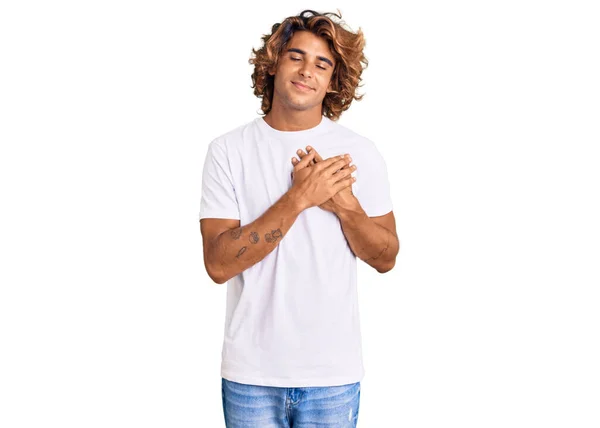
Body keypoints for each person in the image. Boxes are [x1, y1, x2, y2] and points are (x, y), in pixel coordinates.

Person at [199, 9, 399, 427]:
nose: (308, 70)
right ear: (273, 63)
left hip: (332, 376)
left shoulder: (359, 152)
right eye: (296, 56)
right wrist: (300, 197)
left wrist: (343, 203)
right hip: (250, 375)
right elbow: (217, 264)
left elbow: (385, 257)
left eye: (322, 63)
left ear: (333, 81)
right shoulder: (228, 150)